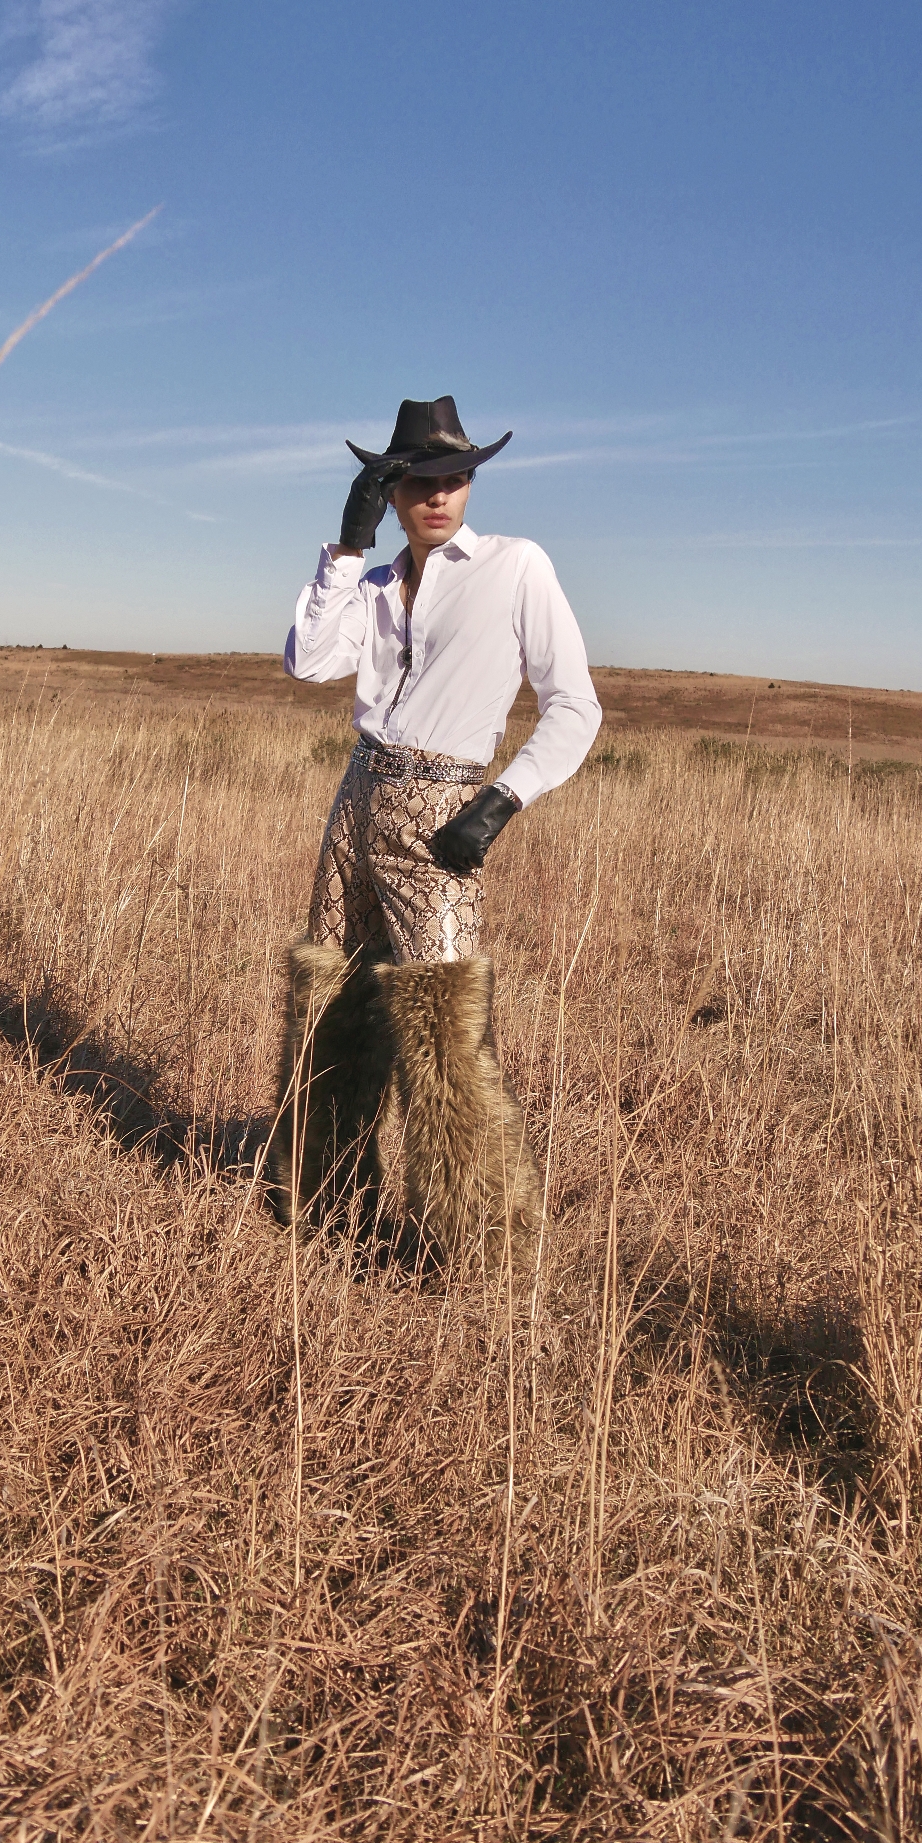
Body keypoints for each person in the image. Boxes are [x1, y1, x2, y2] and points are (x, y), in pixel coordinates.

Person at [269, 396, 601, 1259]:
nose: (439, 495)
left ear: (472, 483)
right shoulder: (374, 585)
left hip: (445, 811)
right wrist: (348, 546)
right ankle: (321, 1202)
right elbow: (309, 662)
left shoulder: (516, 565)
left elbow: (575, 706)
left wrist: (501, 801)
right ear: (392, 491)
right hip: (358, 798)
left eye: (455, 478)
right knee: (333, 1000)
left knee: (444, 1022)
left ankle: (482, 1245)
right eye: (418, 482)